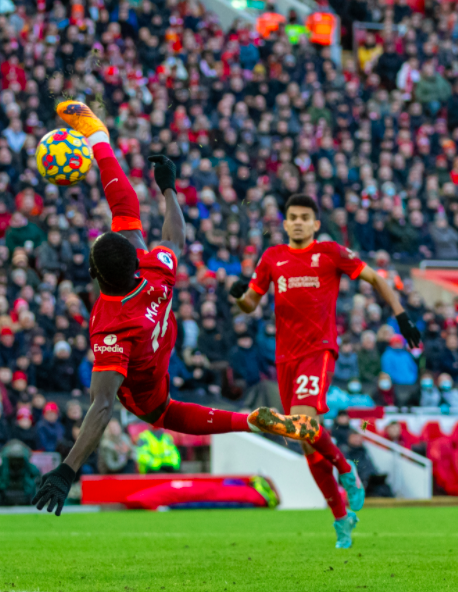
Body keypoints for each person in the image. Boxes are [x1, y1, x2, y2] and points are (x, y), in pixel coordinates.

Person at [32, 101, 318, 518]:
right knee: (126, 211)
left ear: (93, 272)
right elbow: (171, 234)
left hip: (146, 384)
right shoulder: (156, 269)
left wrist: (67, 468)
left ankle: (248, 420)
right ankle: (97, 137)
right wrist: (168, 188)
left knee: (164, 414)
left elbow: (103, 405)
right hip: (162, 334)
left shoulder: (111, 327)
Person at [230, 193, 422, 548]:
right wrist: (238, 294)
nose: (299, 222)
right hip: (285, 358)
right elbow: (250, 304)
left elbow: (377, 279)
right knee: (305, 443)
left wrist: (401, 316)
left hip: (318, 351)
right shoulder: (272, 257)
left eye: (306, 216)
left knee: (305, 426)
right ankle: (340, 517)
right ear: (285, 223)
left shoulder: (330, 252)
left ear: (315, 223)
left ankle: (347, 472)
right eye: (293, 217)